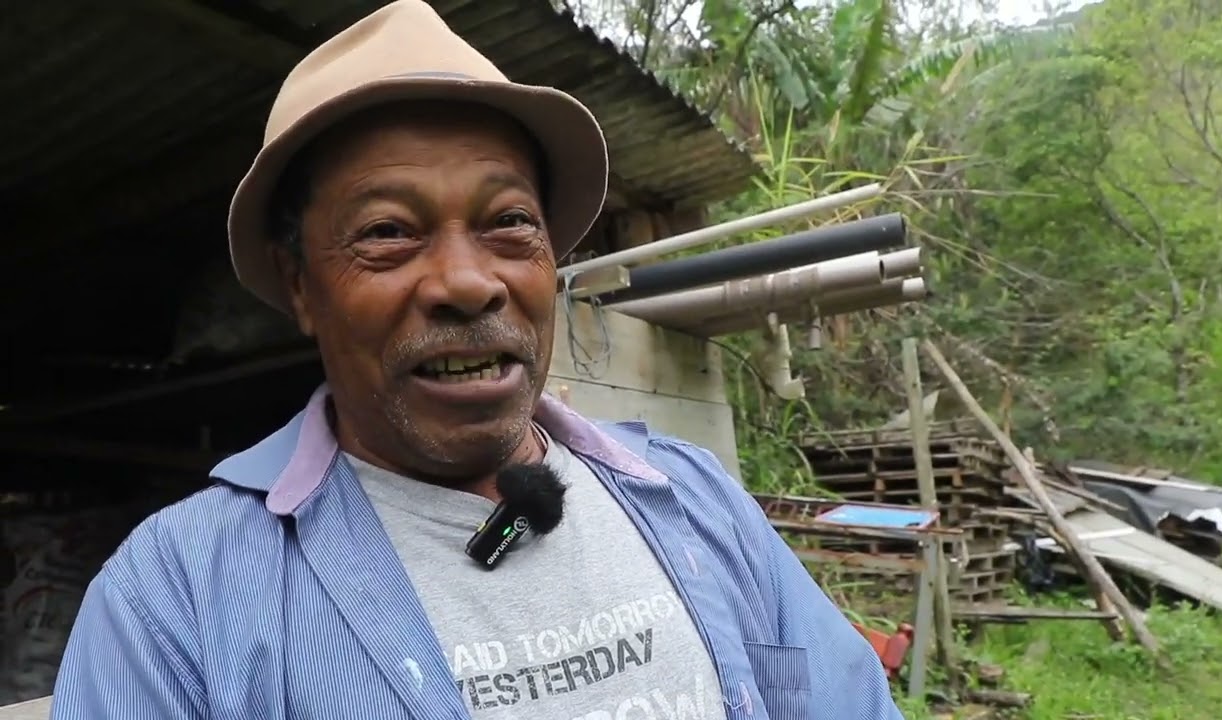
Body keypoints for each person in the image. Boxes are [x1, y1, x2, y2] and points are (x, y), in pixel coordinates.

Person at [50, 2, 903, 719]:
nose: (467, 281)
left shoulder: (694, 499)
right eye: (387, 232)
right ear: (301, 287)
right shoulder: (175, 600)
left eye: (509, 223)